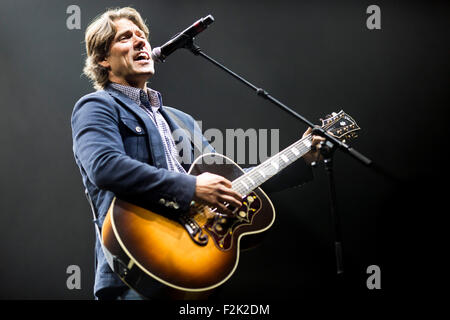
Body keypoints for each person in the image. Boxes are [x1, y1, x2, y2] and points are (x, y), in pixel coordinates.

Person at [71, 7, 325, 300]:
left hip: (194, 262)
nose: (140, 41)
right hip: (135, 271)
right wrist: (191, 187)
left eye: (141, 35)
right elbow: (105, 166)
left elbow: (231, 186)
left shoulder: (183, 121)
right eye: (125, 38)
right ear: (103, 59)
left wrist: (301, 158)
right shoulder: (97, 106)